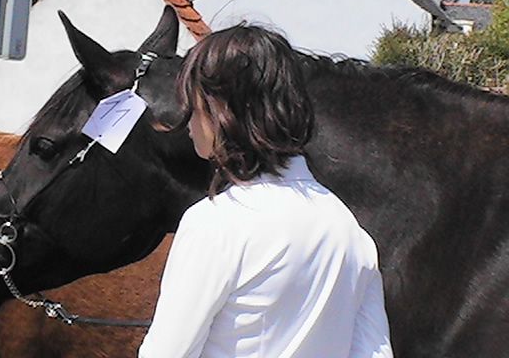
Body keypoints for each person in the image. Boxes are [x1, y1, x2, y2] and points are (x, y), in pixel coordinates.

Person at [138, 24, 393, 358]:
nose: (186, 120)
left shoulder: (215, 224)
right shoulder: (348, 230)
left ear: (223, 108)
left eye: (193, 102)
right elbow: (375, 353)